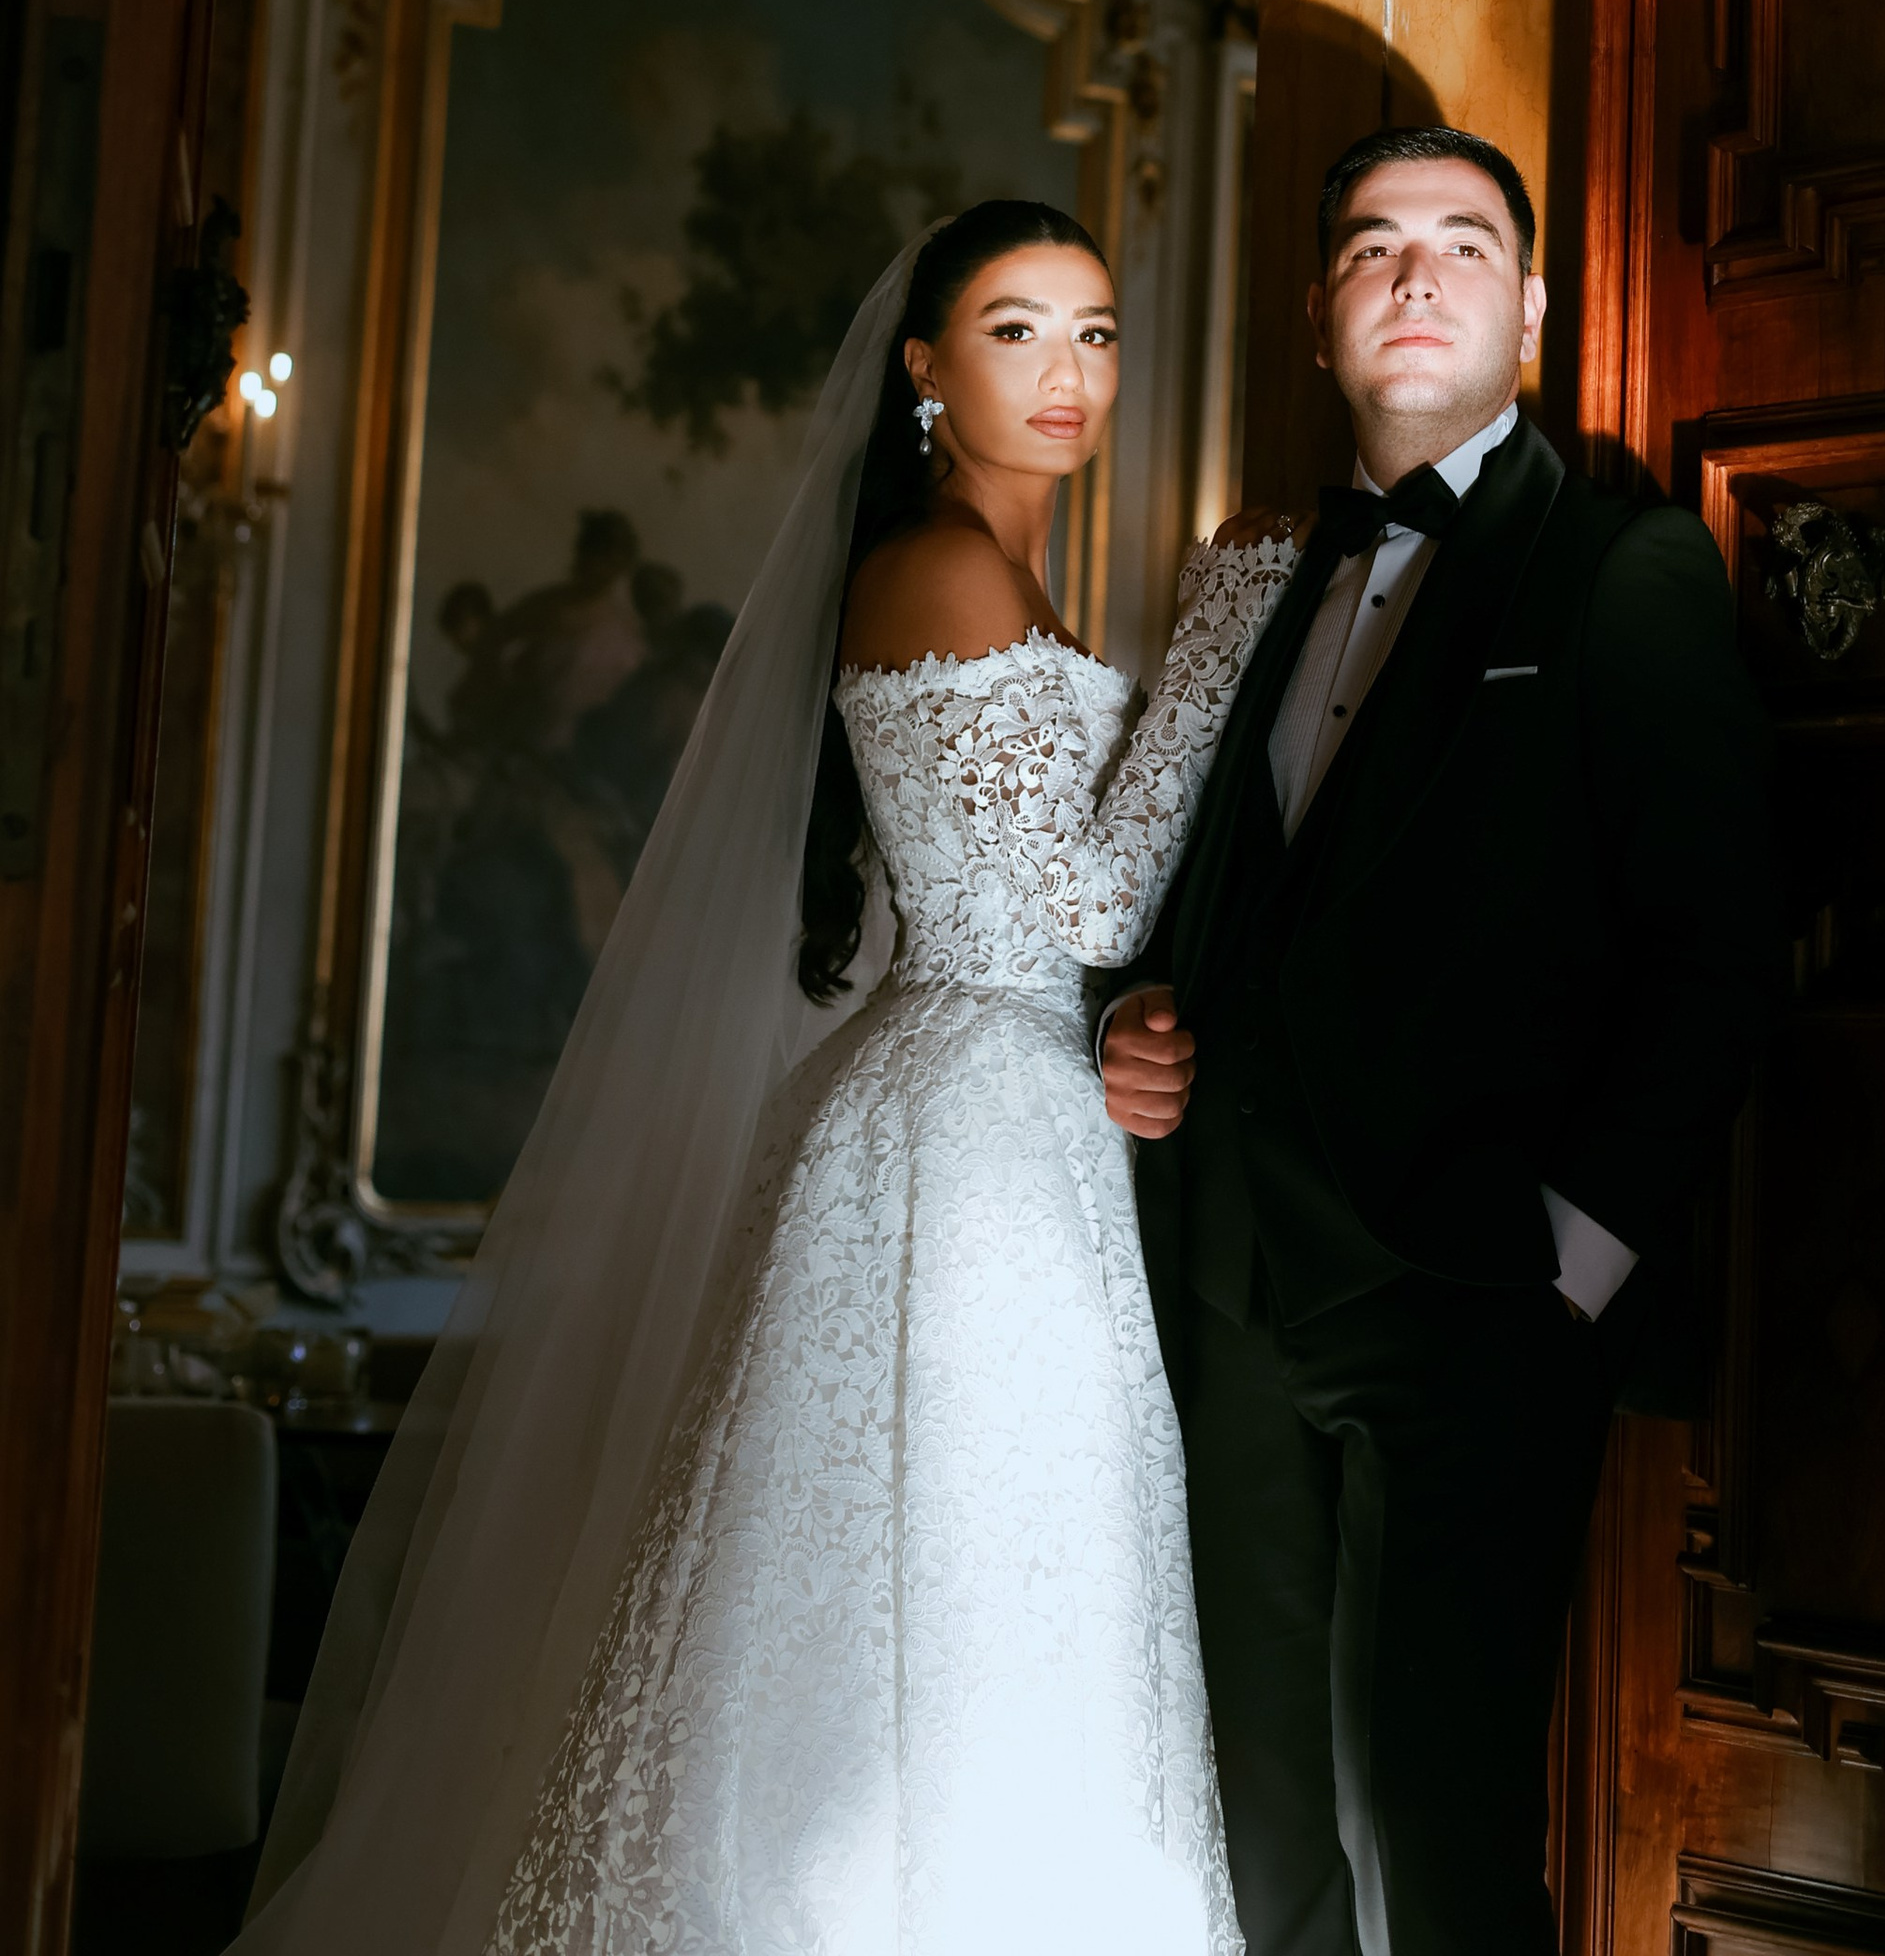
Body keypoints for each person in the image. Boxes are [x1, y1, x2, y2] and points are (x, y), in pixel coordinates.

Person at [238, 198, 1298, 1956]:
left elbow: (1064, 917)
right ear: (925, 370)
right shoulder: (941, 567)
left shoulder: (1002, 578)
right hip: (966, 1154)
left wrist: (1125, 1020)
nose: (1068, 372)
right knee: (936, 1603)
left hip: (1011, 1110)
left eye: (1097, 332)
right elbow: (1096, 895)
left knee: (1000, 1601)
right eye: (1018, 330)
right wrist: (1231, 611)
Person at [1097, 126, 1778, 1956]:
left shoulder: (1619, 566)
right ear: (1325, 309)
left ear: (1530, 308)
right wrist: (1135, 1018)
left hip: (1471, 1301)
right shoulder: (1252, 576)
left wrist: (1570, 1262)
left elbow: (1717, 939)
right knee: (1262, 1830)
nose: (1416, 276)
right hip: (1235, 1290)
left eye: (1463, 245)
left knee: (1435, 1828)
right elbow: (1171, 888)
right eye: (1376, 246)